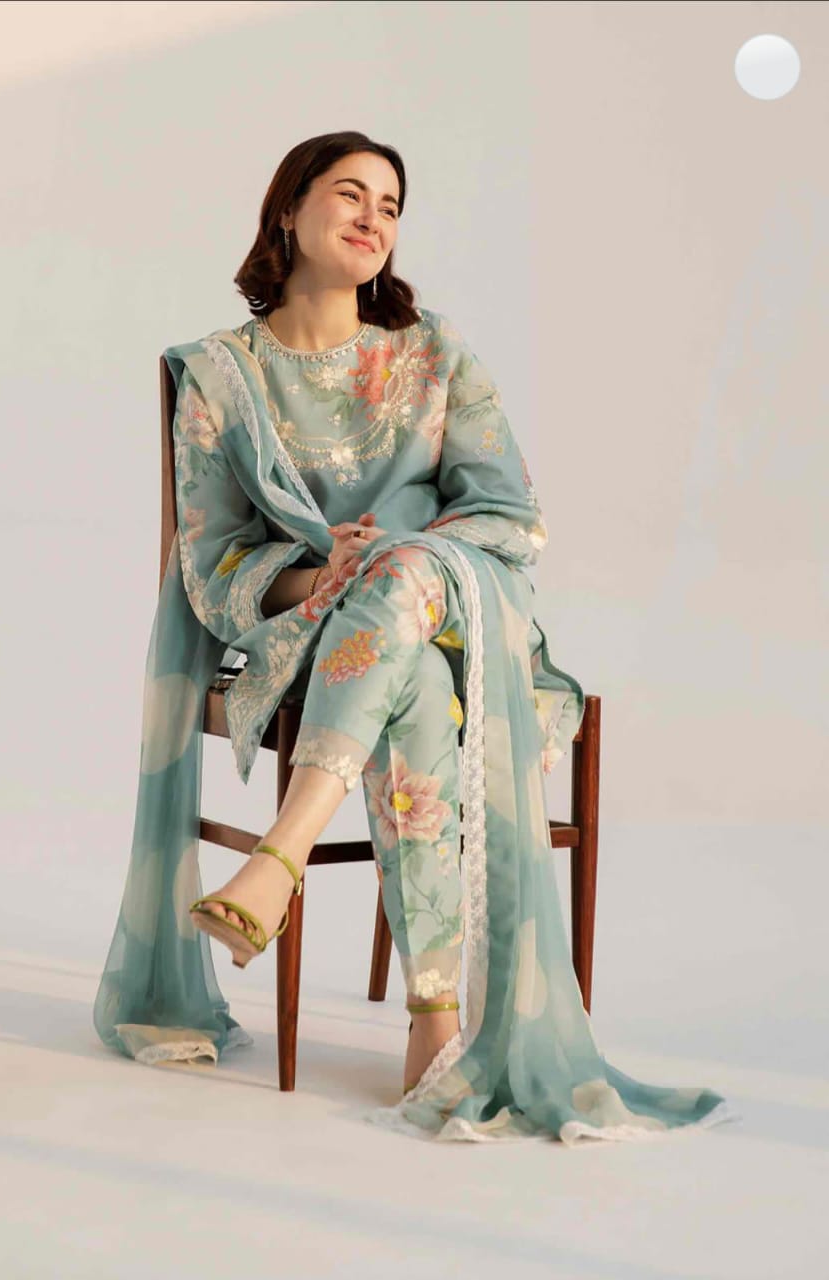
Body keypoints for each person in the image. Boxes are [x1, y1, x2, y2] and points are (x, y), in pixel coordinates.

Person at [93, 130, 739, 1145]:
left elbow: (510, 517)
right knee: (415, 689)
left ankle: (279, 857)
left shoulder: (435, 357)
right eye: (349, 194)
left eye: (390, 205)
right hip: (306, 639)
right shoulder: (220, 376)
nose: (373, 218)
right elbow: (209, 563)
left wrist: (400, 557)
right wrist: (321, 575)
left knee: (402, 582)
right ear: (288, 210)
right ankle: (433, 1014)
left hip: (457, 616)